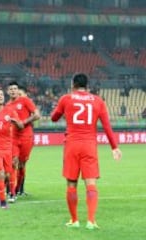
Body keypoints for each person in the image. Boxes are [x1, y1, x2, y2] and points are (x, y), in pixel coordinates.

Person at [51, 73, 122, 230]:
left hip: (72, 144)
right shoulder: (98, 101)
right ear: (87, 86)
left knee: (71, 183)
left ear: (73, 85)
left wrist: (62, 111)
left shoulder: (66, 98)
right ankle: (91, 221)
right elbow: (107, 126)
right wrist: (114, 147)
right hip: (89, 145)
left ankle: (74, 220)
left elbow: (54, 118)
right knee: (91, 183)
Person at [6, 82, 40, 202]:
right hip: (14, 137)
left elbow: (37, 115)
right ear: (8, 92)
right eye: (11, 89)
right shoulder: (7, 105)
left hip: (26, 136)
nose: (13, 91)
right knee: (13, 162)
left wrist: (23, 122)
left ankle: (19, 187)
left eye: (15, 89)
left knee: (22, 164)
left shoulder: (25, 101)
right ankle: (12, 192)